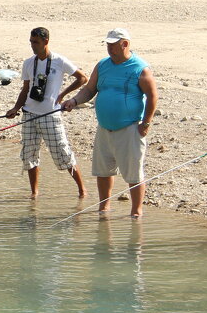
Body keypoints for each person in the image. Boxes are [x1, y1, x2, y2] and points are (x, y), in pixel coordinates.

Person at [62, 28, 158, 217]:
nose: (110, 49)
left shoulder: (140, 68)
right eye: (108, 45)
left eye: (113, 45)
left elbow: (152, 96)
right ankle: (104, 207)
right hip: (104, 128)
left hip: (130, 127)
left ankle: (136, 212)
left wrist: (146, 123)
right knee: (103, 171)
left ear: (125, 44)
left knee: (133, 173)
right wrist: (74, 101)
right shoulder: (103, 65)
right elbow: (90, 90)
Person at [5, 27, 87, 199]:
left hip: (50, 115)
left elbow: (82, 78)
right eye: (31, 42)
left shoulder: (59, 61)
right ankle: (34, 193)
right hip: (28, 114)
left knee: (62, 153)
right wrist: (15, 108)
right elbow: (25, 89)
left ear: (46, 42)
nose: (33, 46)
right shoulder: (28, 63)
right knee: (29, 154)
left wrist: (63, 95)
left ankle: (82, 190)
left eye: (36, 42)